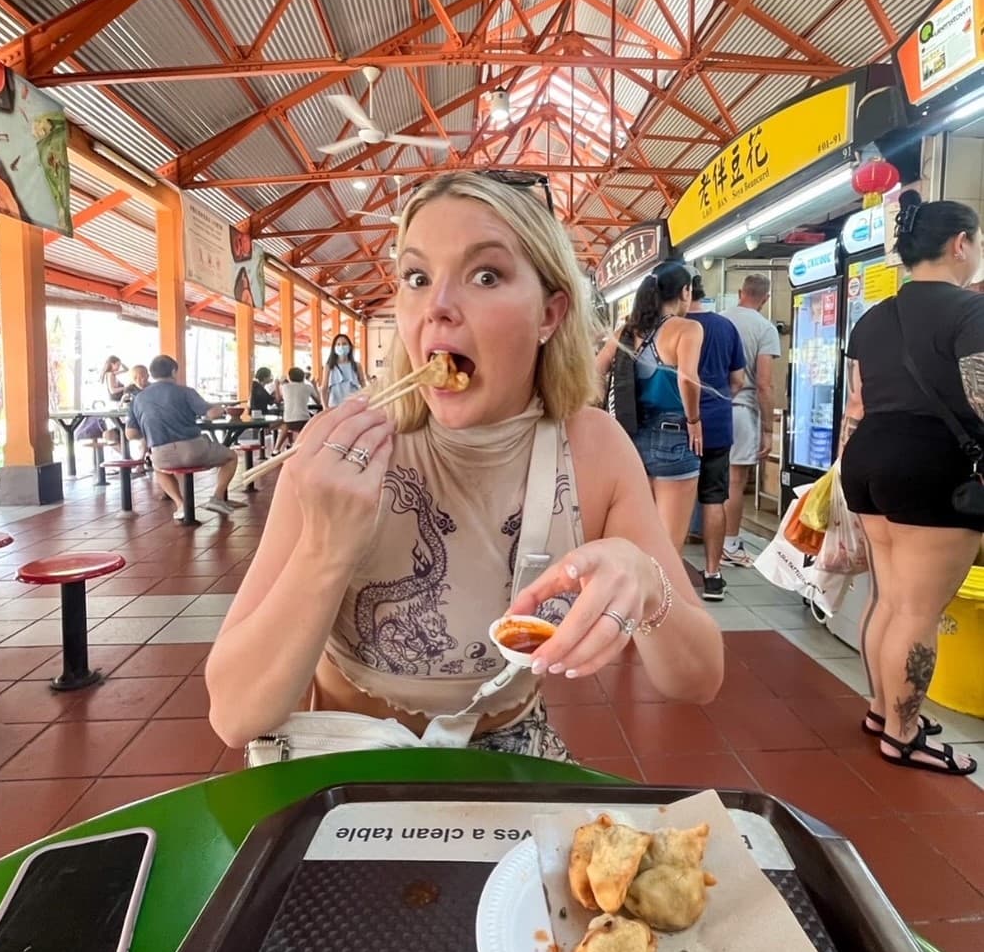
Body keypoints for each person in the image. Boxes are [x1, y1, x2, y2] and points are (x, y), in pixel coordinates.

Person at [206, 171, 722, 755]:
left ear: (550, 315)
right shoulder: (346, 448)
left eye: (486, 275)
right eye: (417, 277)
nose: (439, 307)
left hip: (509, 753)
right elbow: (234, 715)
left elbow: (698, 679)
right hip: (342, 758)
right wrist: (324, 549)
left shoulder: (595, 449)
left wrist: (648, 584)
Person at [840, 190, 984, 777]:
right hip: (932, 466)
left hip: (868, 459)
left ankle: (881, 710)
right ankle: (902, 735)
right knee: (919, 611)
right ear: (959, 244)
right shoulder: (970, 311)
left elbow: (857, 401)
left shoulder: (873, 316)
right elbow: (981, 397)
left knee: (890, 599)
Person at [596, 262, 704, 554]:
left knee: (637, 538)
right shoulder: (688, 328)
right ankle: (663, 597)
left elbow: (595, 372)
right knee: (668, 544)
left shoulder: (626, 331)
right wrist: (694, 421)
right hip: (673, 437)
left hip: (629, 437)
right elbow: (688, 379)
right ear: (685, 291)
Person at [688, 274, 746, 600]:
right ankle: (713, 575)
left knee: (673, 498)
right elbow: (737, 379)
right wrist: (720, 398)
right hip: (718, 424)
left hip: (679, 423)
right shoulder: (725, 328)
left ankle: (668, 577)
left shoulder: (672, 326)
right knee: (713, 497)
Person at [126, 355, 240, 520]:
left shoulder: (137, 399)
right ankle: (217, 497)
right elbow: (211, 414)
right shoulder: (185, 392)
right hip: (193, 450)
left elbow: (130, 434)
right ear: (173, 371)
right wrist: (221, 408)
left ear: (151, 374)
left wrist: (151, 426)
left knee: (159, 469)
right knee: (231, 457)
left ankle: (181, 505)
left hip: (161, 454)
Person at [721, 274, 780, 567]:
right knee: (734, 481)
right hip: (742, 411)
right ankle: (730, 543)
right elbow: (765, 384)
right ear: (766, 298)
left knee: (708, 478)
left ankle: (706, 537)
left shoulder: (718, 321)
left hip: (709, 410)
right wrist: (768, 429)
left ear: (740, 292)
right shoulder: (765, 329)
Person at [273, 367, 320, 454]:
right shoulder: (308, 387)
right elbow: (319, 401)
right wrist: (314, 386)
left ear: (289, 377)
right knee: (309, 426)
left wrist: (276, 385)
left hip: (288, 420)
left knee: (284, 426)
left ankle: (276, 449)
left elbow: (278, 399)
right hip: (304, 419)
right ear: (303, 377)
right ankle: (304, 447)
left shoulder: (285, 387)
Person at [321, 334, 365, 408]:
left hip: (354, 405)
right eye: (338, 344)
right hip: (335, 405)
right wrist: (325, 406)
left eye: (344, 344)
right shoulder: (329, 366)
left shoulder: (357, 365)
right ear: (334, 348)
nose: (341, 346)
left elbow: (363, 383)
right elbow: (324, 388)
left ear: (350, 346)